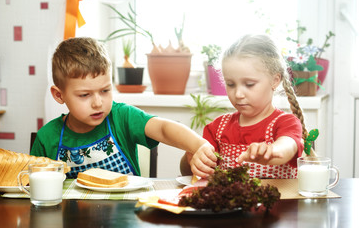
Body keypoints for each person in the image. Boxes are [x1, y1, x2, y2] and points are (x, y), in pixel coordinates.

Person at [31, 37, 217, 179]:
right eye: (84, 95)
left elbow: (163, 128)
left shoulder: (122, 116)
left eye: (105, 91)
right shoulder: (47, 138)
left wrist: (199, 145)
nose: (98, 103)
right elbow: (36, 187)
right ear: (59, 95)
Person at [181, 34, 306, 179]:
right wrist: (193, 158)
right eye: (231, 84)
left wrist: (270, 151)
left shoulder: (286, 123)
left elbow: (287, 147)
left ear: (275, 80)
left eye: (249, 84)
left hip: (281, 202)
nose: (238, 94)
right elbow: (189, 172)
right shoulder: (217, 128)